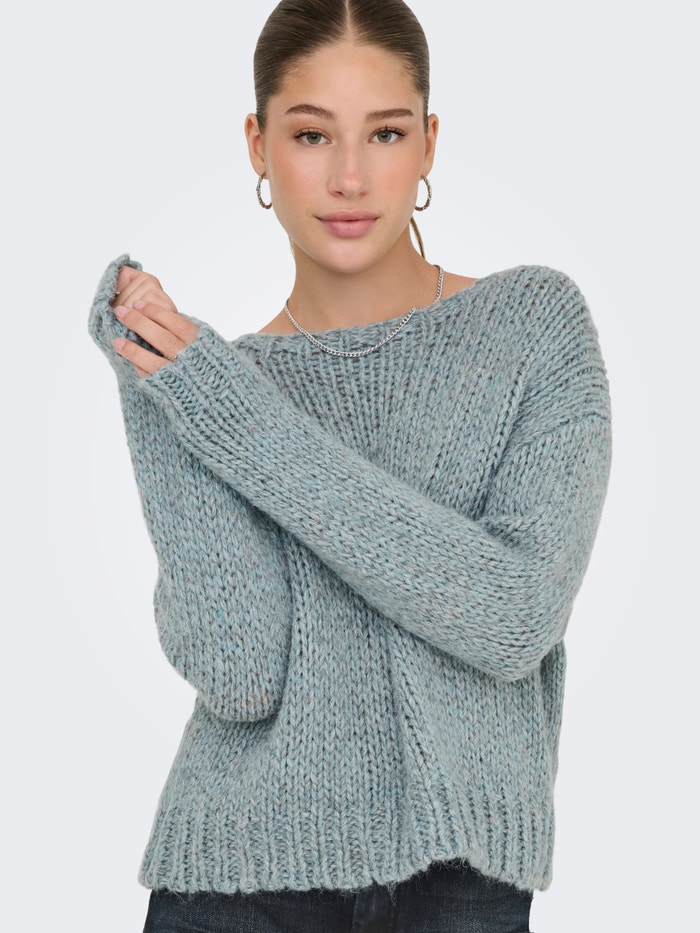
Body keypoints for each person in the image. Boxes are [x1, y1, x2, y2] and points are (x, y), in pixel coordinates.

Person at [88, 1, 611, 930]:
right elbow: (241, 671)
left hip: (460, 874)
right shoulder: (216, 381)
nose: (350, 176)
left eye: (386, 132)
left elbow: (514, 616)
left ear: (429, 143)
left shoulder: (534, 329)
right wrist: (155, 387)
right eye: (310, 134)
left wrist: (235, 419)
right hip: (235, 872)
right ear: (258, 146)